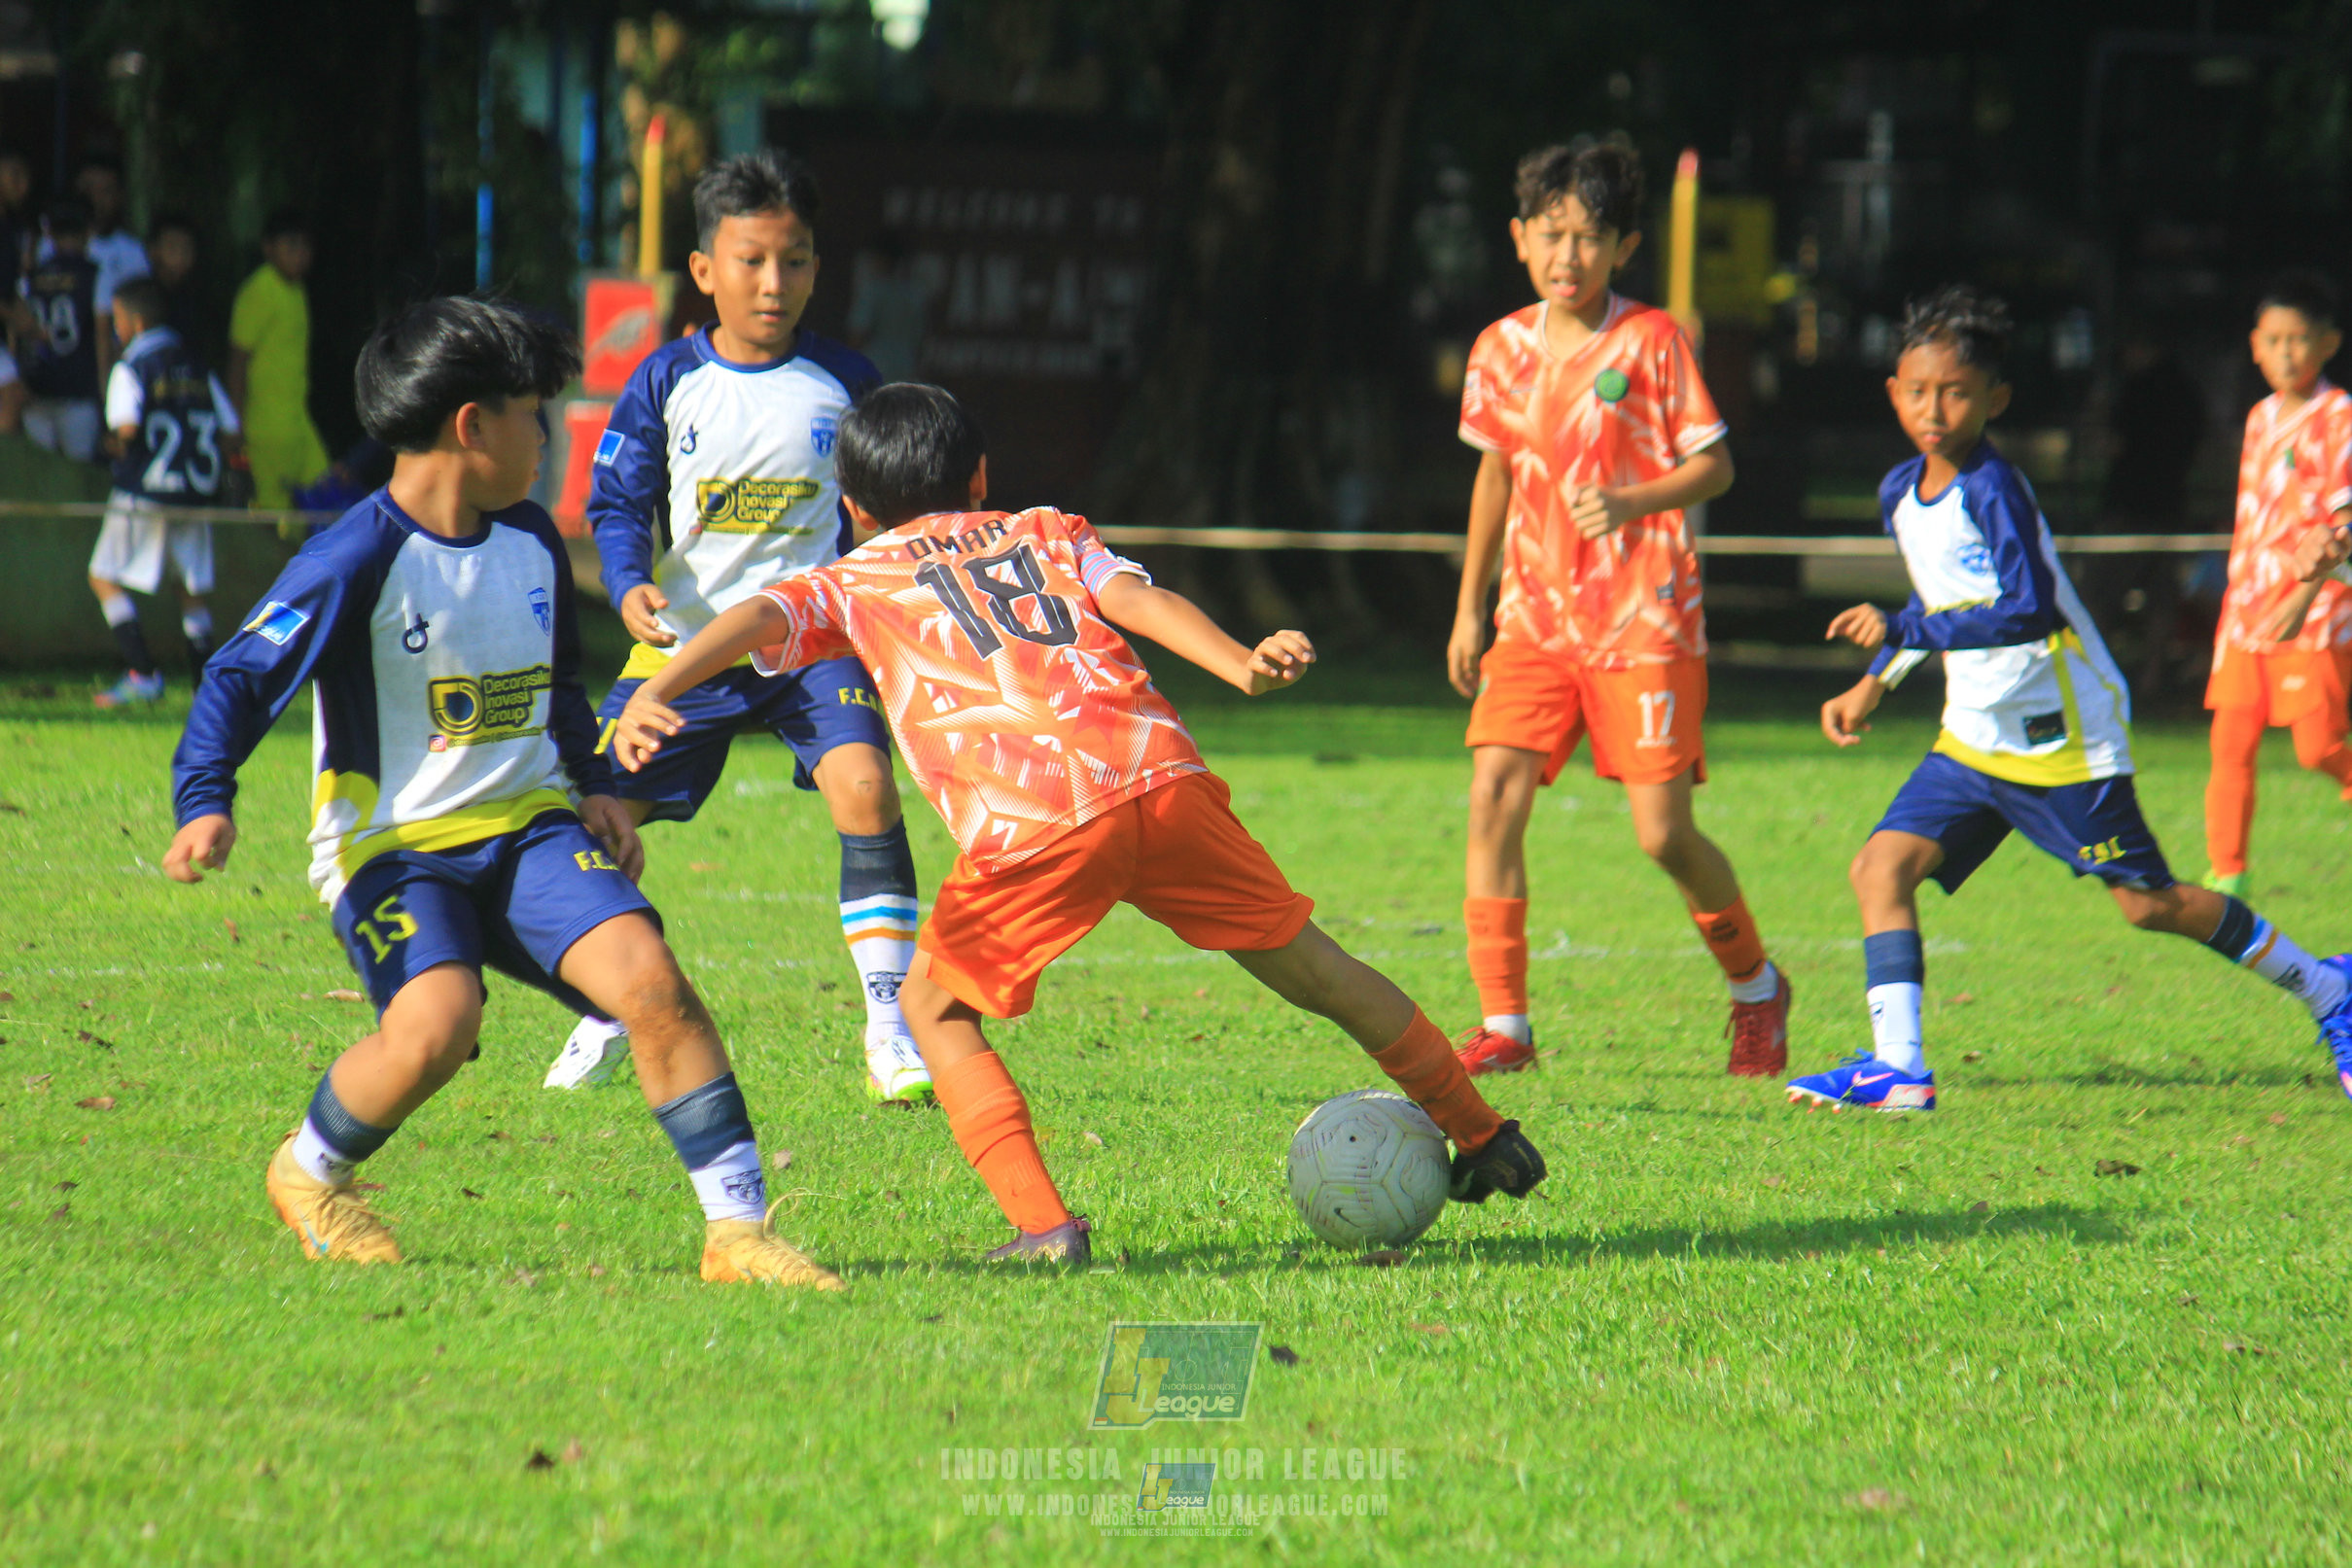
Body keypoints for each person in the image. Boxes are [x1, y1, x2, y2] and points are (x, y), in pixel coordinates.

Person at [608, 384, 1550, 1265]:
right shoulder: (1045, 529)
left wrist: (658, 683)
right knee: (1318, 966)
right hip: (1160, 772)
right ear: (979, 478)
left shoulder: (853, 577)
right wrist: (1239, 663)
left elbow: (754, 614)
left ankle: (1044, 1226)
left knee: (931, 1009)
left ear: (851, 506)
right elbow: (1136, 600)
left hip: (1036, 821)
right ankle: (1484, 1131)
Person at [161, 296, 841, 1287]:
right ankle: (310, 1173)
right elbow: (238, 674)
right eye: (536, 413)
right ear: (472, 425)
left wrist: (600, 784)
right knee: (438, 1023)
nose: (551, 440)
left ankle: (737, 1232)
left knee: (651, 982)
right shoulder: (354, 556)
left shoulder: (527, 541)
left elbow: (557, 686)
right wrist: (205, 798)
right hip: (395, 849)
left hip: (529, 829)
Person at [1801, 286, 2352, 1111]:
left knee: (2147, 904)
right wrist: (1871, 679)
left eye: (1956, 391)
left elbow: (2024, 611)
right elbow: (1946, 603)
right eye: (1917, 390)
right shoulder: (1896, 492)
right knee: (1880, 867)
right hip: (1972, 734)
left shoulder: (1994, 489)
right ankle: (1900, 1069)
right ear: (1893, 393)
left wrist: (1894, 627)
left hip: (2058, 735)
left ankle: (2327, 990)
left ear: (1996, 399)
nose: (1934, 408)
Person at [546, 150, 930, 1106]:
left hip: (811, 642)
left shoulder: (847, 380)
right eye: (752, 260)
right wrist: (631, 582)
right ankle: (610, 997)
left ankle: (891, 1024)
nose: (774, 282)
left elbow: (883, 519)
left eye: (794, 261)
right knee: (598, 815)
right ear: (705, 267)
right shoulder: (666, 377)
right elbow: (619, 498)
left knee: (865, 786)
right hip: (686, 644)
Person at [1445, 142, 1789, 1079]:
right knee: (1491, 797)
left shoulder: (1654, 343)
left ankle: (1756, 986)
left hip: (1644, 620)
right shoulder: (1498, 349)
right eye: (1551, 235)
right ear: (1519, 239)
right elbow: (1494, 476)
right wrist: (1469, 608)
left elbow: (1715, 464)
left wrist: (1636, 500)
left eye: (1589, 237)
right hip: (1533, 622)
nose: (1568, 255)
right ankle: (1505, 1026)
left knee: (1661, 833)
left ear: (1623, 247)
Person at [2200, 272, 2352, 896]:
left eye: (2299, 339)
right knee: (2230, 741)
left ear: (2328, 344)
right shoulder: (2260, 417)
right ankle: (2227, 873)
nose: (2286, 352)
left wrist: (2309, 581)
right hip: (2247, 610)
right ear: (2255, 346)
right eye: (2274, 340)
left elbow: (2342, 520)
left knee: (2317, 748)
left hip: (2315, 611)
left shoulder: (2339, 415)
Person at [88, 276, 240, 709]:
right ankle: (206, 688)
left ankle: (143, 673)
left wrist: (111, 445)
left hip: (144, 493)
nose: (116, 328)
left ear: (133, 323)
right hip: (194, 493)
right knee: (190, 589)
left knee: (103, 576)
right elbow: (231, 432)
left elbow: (128, 428)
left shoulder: (131, 367)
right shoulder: (197, 366)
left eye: (116, 319)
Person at [228, 208, 331, 509]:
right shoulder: (259, 289)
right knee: (273, 510)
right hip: (265, 426)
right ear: (268, 248)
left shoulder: (297, 291)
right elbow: (238, 359)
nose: (299, 254)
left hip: (297, 420)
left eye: (305, 246)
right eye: (291, 245)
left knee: (326, 490)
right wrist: (235, 422)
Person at [18, 199, 105, 461]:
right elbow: (101, 336)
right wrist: (104, 394)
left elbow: (17, 333)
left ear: (50, 234)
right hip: (77, 393)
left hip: (35, 388)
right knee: (79, 474)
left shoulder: (31, 278)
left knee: (39, 478)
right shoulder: (96, 274)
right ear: (89, 232)